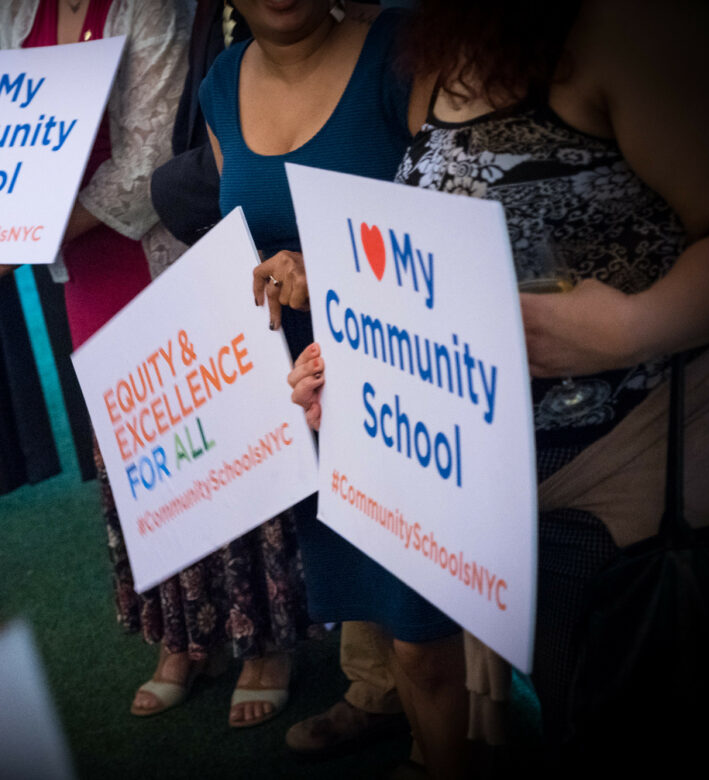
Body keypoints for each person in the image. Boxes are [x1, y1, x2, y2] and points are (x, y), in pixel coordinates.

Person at [288, 0, 709, 769]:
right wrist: (357, 363)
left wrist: (631, 326)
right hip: (507, 509)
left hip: (633, 499)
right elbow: (441, 271)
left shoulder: (629, 28)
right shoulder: (441, 52)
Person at [0, 0, 308, 730]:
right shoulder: (14, 9)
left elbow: (151, 158)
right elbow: (7, 148)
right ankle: (187, 638)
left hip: (164, 245)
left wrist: (17, 238)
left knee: (219, 432)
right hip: (85, 264)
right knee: (141, 448)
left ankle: (266, 642)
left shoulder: (146, 3)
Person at [201, 1, 474, 773]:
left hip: (410, 384)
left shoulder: (401, 50)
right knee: (379, 612)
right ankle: (406, 726)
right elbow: (244, 242)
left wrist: (332, 271)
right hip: (308, 392)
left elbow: (460, 219)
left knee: (426, 634)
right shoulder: (220, 84)